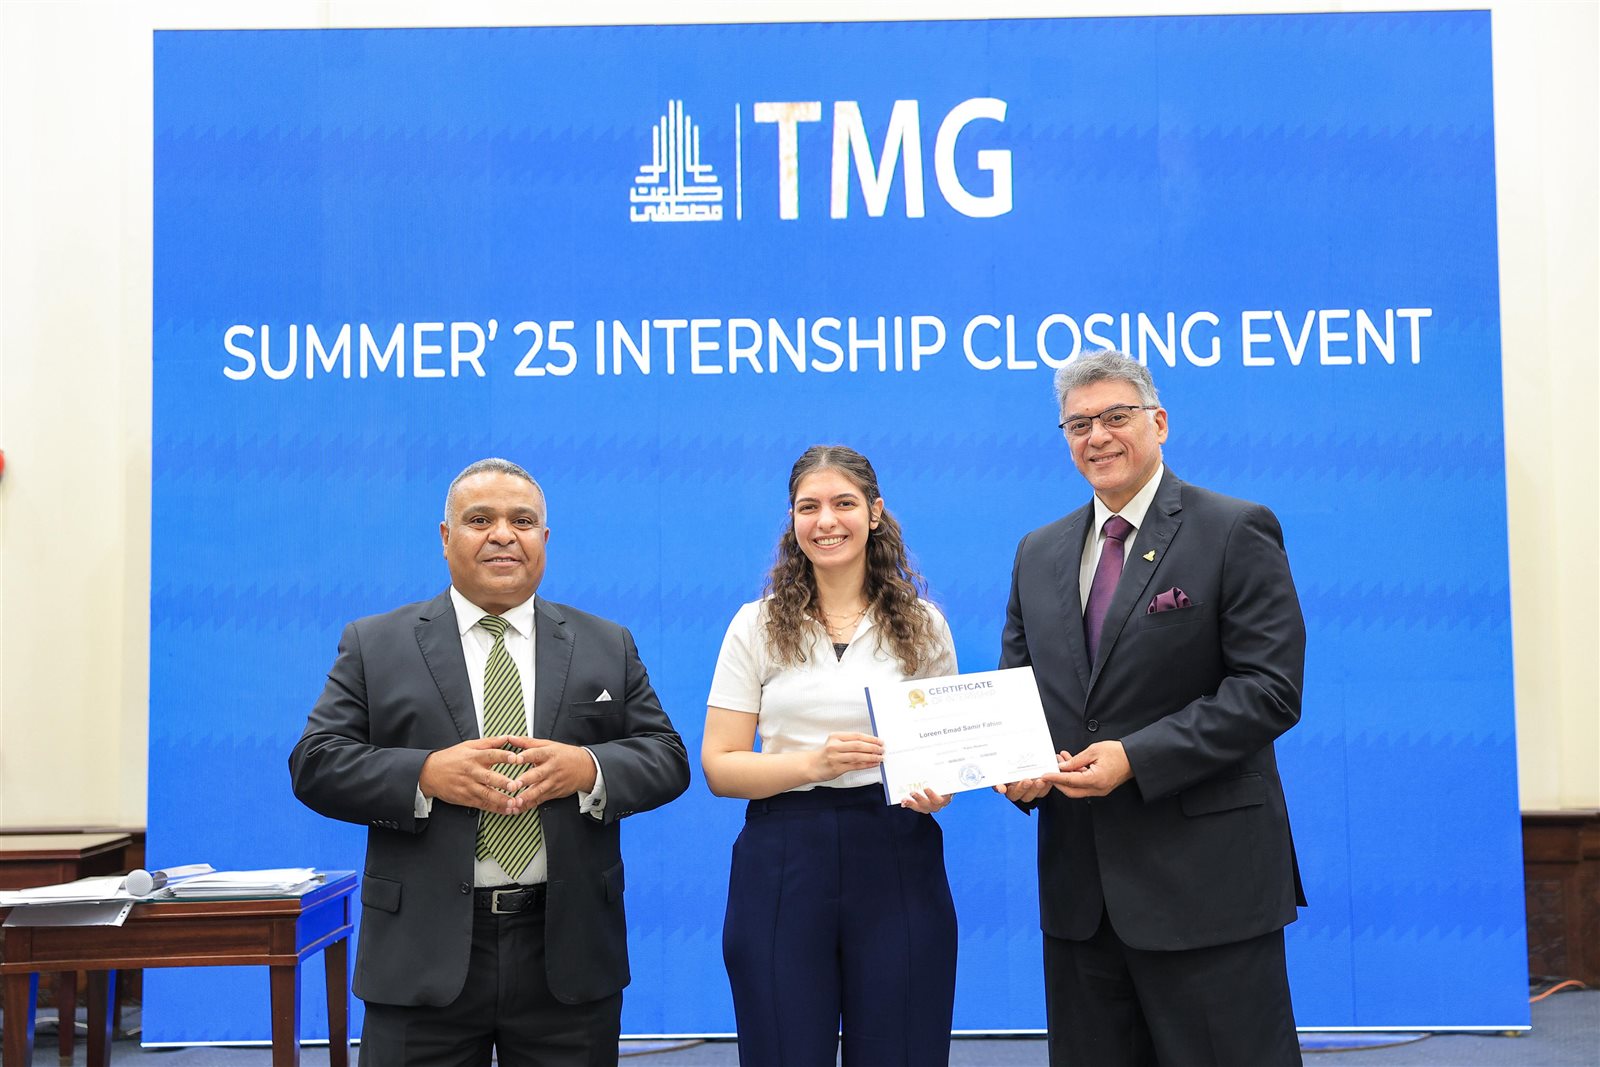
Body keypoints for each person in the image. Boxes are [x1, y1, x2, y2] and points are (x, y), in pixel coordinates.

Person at [289, 458, 690, 1067]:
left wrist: (588, 769)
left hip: (568, 951)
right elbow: (316, 763)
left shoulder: (606, 643)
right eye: (480, 520)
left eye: (521, 521)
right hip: (420, 953)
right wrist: (425, 776)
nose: (503, 535)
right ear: (446, 537)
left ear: (544, 538)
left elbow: (666, 756)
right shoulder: (376, 643)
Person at [999, 351, 1307, 1066]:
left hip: (1207, 887)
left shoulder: (1233, 528)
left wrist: (1135, 758)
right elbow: (1021, 693)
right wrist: (1014, 767)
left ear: (1158, 422)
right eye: (1079, 424)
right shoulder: (1037, 552)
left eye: (1116, 416)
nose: (1097, 436)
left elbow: (1269, 689)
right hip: (1081, 896)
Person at [701, 445, 960, 1067]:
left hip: (896, 851)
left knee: (903, 1052)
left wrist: (938, 790)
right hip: (783, 857)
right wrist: (813, 765)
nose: (826, 521)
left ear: (875, 512)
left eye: (844, 503)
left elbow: (944, 764)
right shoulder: (756, 625)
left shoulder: (924, 624)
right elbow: (720, 766)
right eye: (808, 507)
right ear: (792, 519)